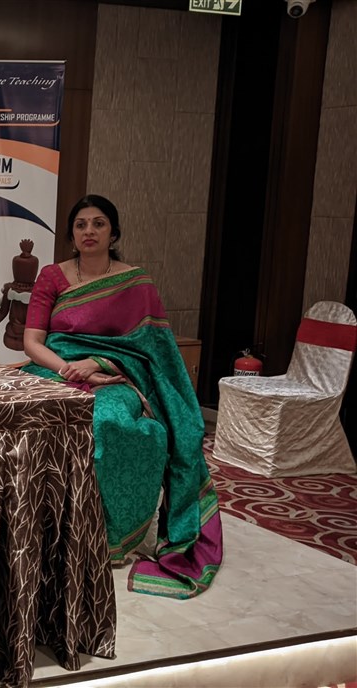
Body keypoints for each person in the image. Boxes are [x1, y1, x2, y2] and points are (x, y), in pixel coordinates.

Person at [22, 194, 223, 599]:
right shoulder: (52, 276)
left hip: (117, 376)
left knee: (107, 422)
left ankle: (104, 536)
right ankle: (34, 528)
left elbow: (151, 352)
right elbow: (32, 342)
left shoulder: (136, 282)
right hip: (54, 369)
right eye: (81, 224)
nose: (89, 231)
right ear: (71, 234)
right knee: (27, 415)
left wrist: (99, 364)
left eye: (99, 224)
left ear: (113, 233)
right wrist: (69, 368)